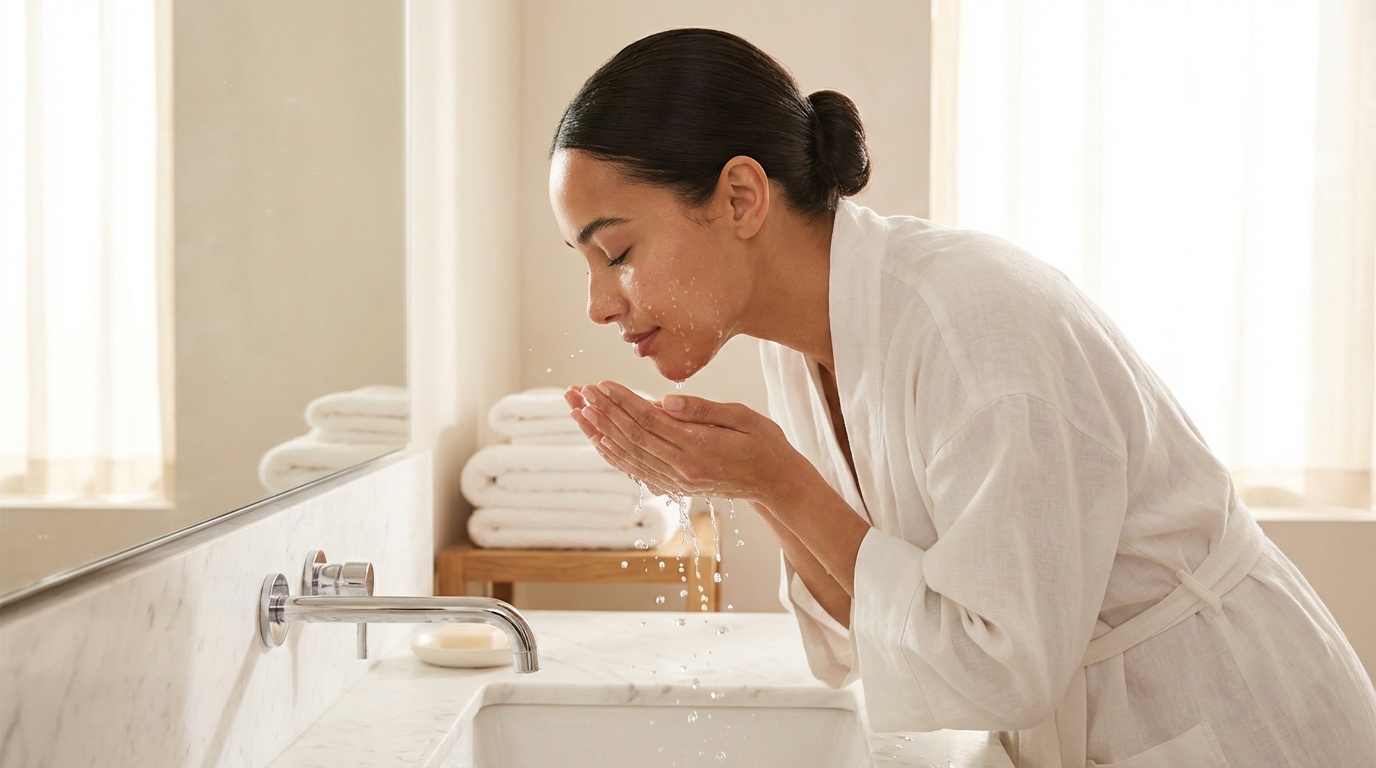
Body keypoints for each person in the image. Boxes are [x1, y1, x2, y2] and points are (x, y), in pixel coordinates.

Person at [549, 28, 1376, 767]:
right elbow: (865, 624)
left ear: (739, 197)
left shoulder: (975, 325)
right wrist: (752, 481)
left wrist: (780, 481)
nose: (599, 304)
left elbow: (1001, 664)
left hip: (1223, 719)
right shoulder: (803, 345)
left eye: (615, 252)